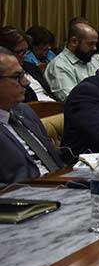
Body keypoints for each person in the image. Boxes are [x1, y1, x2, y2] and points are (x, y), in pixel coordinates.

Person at [0, 47, 65, 183]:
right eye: (17, 77)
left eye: (24, 74)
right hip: (25, 193)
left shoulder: (25, 111)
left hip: (63, 183)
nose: (26, 82)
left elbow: (55, 162)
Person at [44, 21, 99, 101]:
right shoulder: (59, 65)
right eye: (91, 44)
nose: (95, 48)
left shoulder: (92, 60)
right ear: (74, 42)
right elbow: (72, 99)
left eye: (95, 44)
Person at [0, 27, 55, 102]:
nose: (25, 56)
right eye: (20, 52)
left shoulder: (31, 67)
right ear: (4, 51)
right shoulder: (4, 75)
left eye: (26, 51)